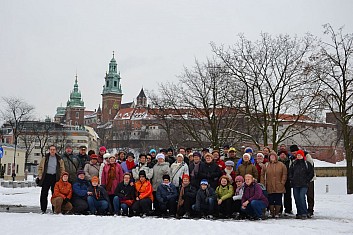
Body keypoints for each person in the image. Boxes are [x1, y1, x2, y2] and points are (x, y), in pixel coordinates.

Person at [290, 144, 316, 217]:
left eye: (296, 153)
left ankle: (308, 210)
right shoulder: (293, 162)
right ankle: (300, 212)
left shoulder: (307, 159)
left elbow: (311, 170)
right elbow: (291, 171)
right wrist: (292, 179)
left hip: (306, 181)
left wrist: (307, 179)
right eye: (293, 153)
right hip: (296, 182)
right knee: (297, 197)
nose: (295, 155)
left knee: (307, 196)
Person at [38, 145, 65, 213]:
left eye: (54, 149)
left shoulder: (59, 159)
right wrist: (40, 175)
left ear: (56, 150)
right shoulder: (45, 158)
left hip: (55, 177)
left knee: (55, 194)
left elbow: (62, 168)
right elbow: (40, 168)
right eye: (51, 149)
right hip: (46, 177)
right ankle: (43, 209)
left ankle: (54, 209)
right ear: (49, 150)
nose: (52, 151)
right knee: (44, 193)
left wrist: (62, 177)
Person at [261, 151, 287, 218]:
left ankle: (277, 213)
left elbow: (284, 174)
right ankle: (271, 212)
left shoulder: (281, 165)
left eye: (273, 156)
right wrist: (263, 184)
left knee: (278, 199)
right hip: (269, 184)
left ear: (276, 157)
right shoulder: (266, 165)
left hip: (279, 184)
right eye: (271, 156)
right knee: (270, 199)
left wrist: (282, 182)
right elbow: (262, 175)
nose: (272, 157)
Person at [278, 149, 294, 215]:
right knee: (279, 195)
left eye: (284, 154)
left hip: (287, 180)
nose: (282, 155)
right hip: (279, 180)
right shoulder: (277, 162)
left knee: (287, 196)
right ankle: (279, 209)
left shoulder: (289, 161)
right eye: (281, 154)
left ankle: (288, 209)